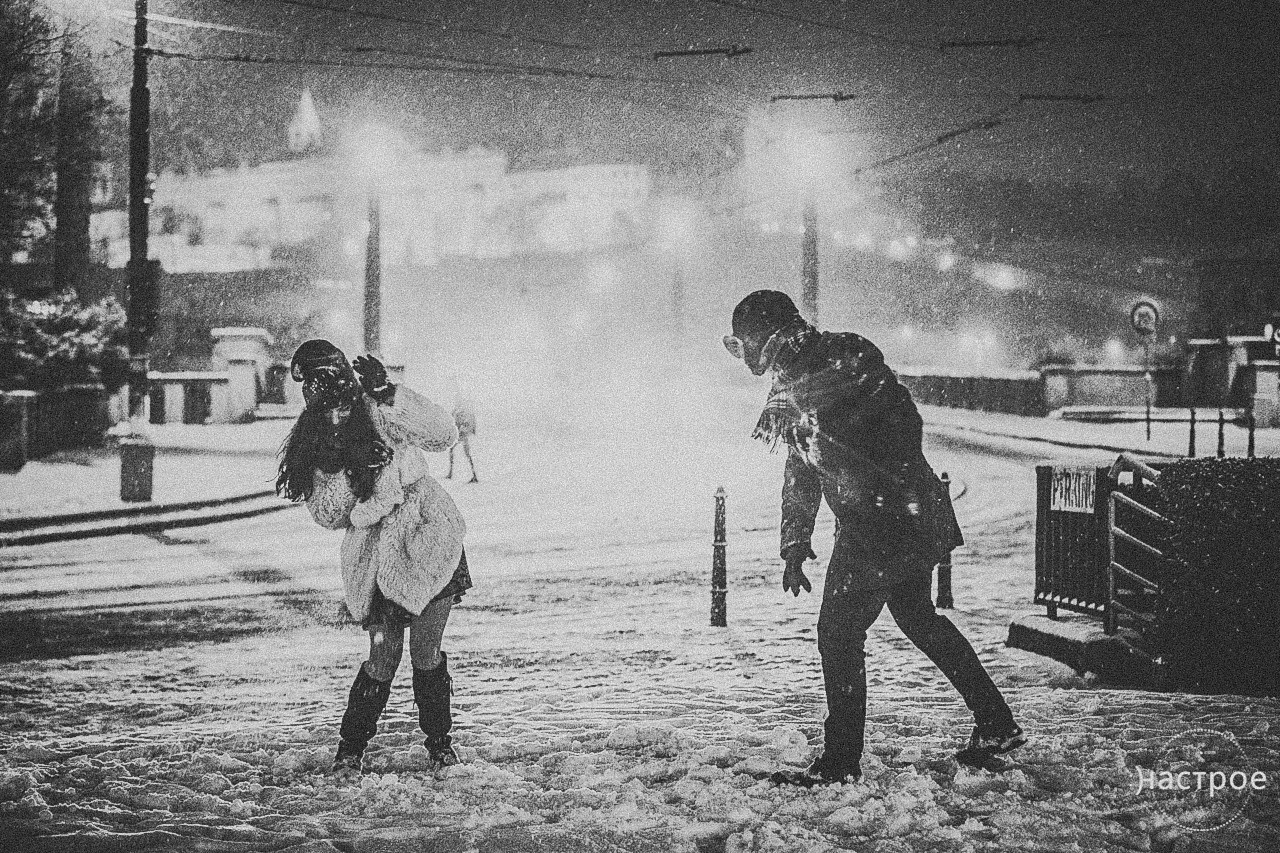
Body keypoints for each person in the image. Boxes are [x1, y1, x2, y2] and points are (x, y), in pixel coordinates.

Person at [722, 291, 1026, 785]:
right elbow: (802, 468)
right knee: (919, 618)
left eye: (746, 342)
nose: (745, 356)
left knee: (838, 634)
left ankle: (841, 762)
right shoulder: (790, 387)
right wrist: (794, 544)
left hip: (885, 520)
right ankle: (996, 723)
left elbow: (902, 426)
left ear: (767, 338)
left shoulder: (843, 358)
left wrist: (870, 481)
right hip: (894, 518)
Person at [277, 340, 472, 775]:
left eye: (331, 373)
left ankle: (440, 743)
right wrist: (356, 476)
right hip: (376, 560)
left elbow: (443, 435)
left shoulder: (379, 405)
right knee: (383, 657)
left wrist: (391, 393)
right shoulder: (313, 437)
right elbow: (327, 514)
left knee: (426, 651)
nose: (325, 386)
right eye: (314, 380)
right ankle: (351, 748)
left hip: (428, 539)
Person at [445, 393, 479, 484]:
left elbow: (453, 423)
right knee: (465, 453)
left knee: (454, 451)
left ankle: (451, 473)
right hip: (463, 434)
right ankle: (473, 474)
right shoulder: (467, 412)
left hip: (460, 434)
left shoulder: (458, 412)